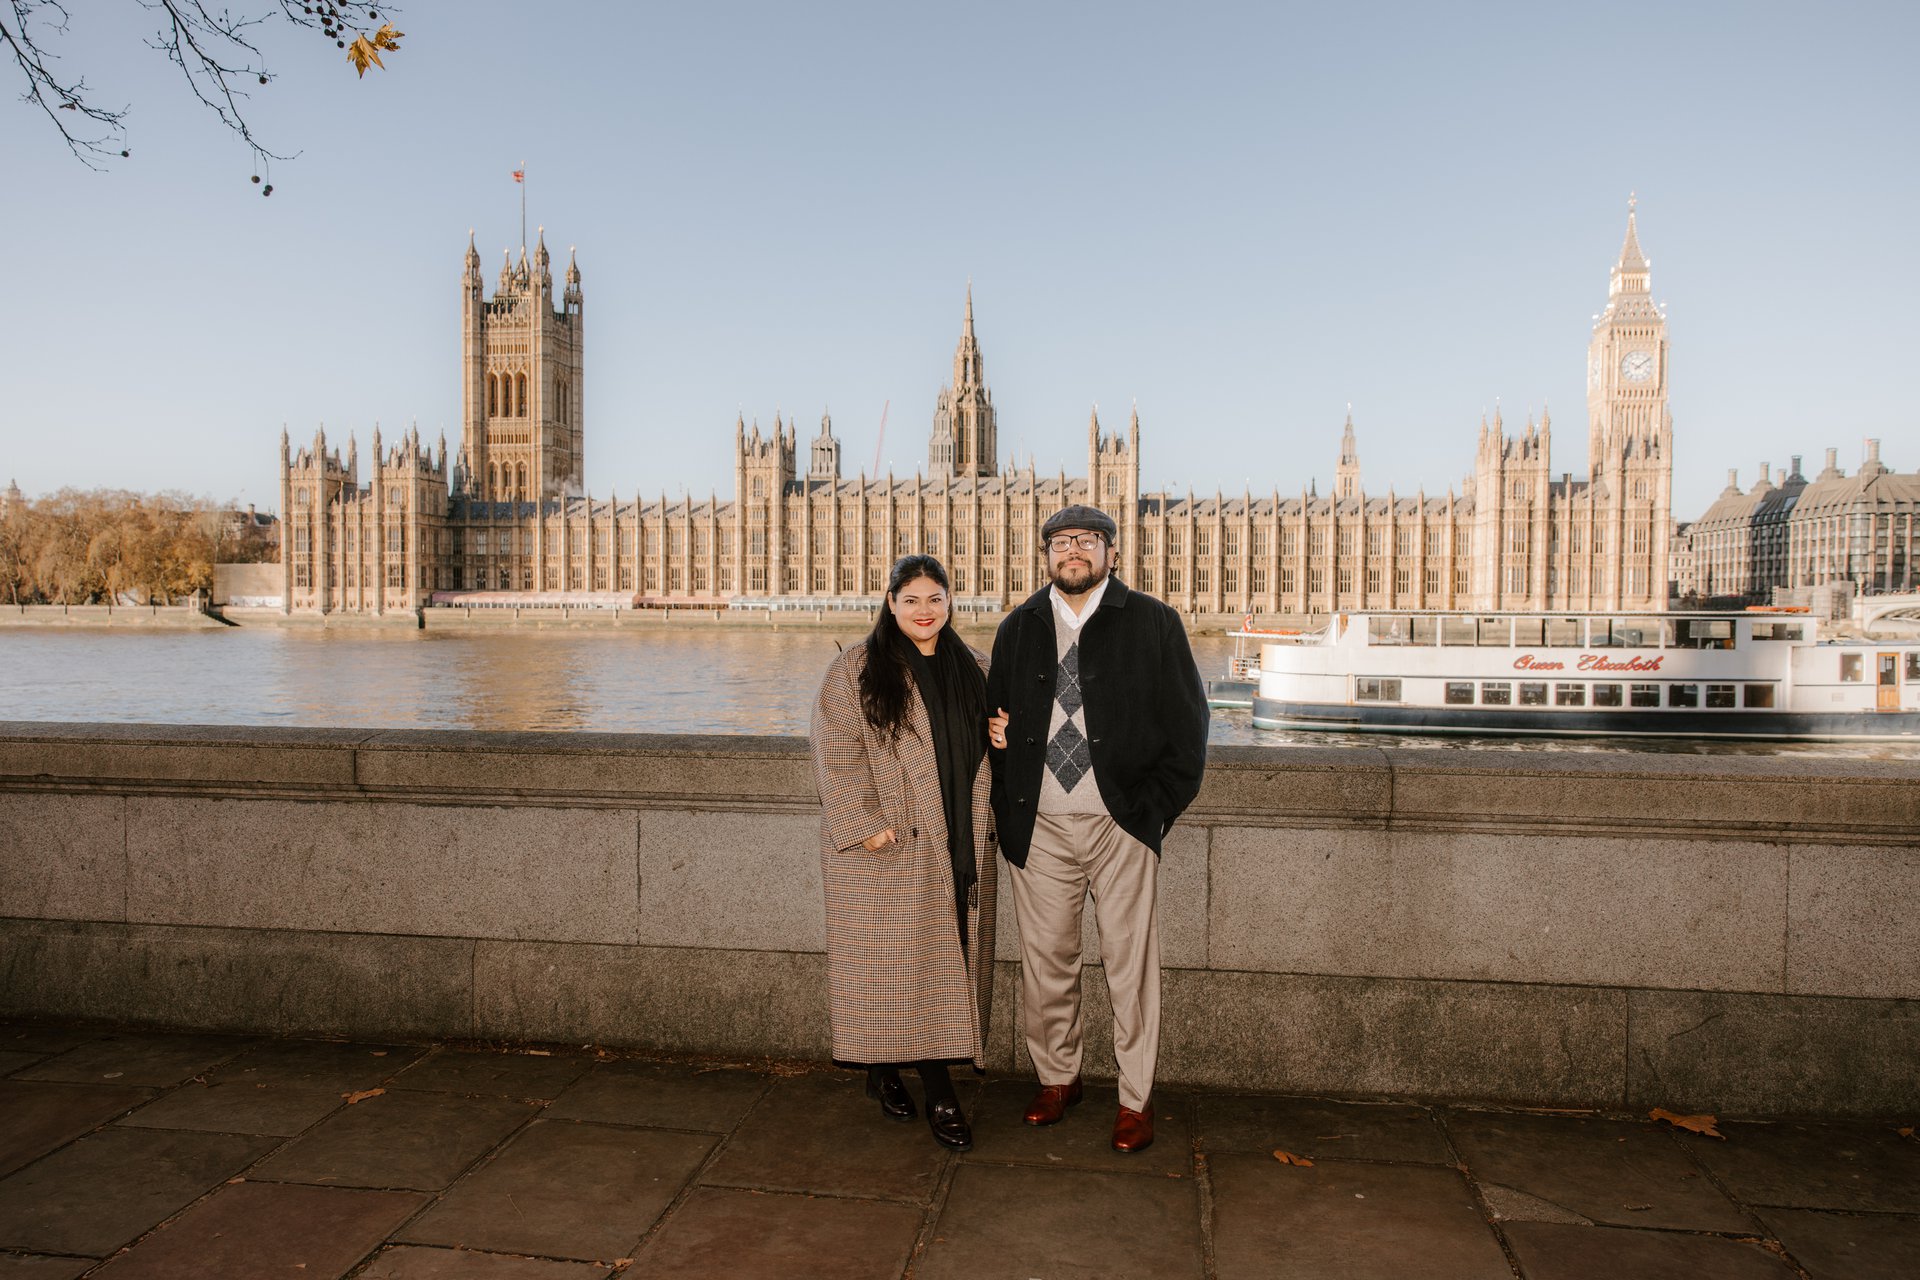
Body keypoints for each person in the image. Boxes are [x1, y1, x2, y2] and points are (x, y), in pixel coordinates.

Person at [985, 504, 1207, 1153]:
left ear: (1112, 551)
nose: (1073, 551)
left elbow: (1189, 728)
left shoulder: (1154, 622)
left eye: (1086, 540)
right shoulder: (1019, 625)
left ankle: (1135, 1098)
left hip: (1120, 825)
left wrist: (1152, 811)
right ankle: (1059, 1078)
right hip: (1041, 826)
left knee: (1129, 968)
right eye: (1060, 542)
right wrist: (1003, 763)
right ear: (1046, 555)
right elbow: (994, 716)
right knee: (1046, 964)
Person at [810, 554, 996, 1151]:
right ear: (890, 604)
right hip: (890, 846)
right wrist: (866, 825)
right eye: (911, 599)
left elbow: (991, 747)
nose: (924, 610)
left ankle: (882, 1068)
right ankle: (941, 1093)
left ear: (950, 602)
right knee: (911, 969)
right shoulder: (855, 669)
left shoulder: (977, 667)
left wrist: (1001, 736)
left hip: (958, 836)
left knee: (934, 961)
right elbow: (835, 751)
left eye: (934, 598)